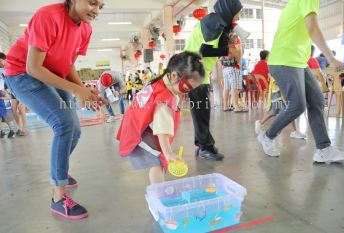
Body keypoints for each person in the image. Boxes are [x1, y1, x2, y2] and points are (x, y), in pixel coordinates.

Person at [3, 0, 106, 219]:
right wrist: (77, 91)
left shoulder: (85, 29)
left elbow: (67, 62)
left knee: (75, 130)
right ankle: (58, 199)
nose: (96, 11)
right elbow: (33, 67)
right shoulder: (48, 16)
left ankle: (59, 170)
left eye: (101, 7)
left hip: (52, 75)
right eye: (92, 3)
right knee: (64, 123)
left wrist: (84, 90)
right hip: (22, 74)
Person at [257, 0, 344, 163]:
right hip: (284, 60)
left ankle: (323, 149)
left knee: (317, 100)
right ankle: (267, 136)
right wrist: (331, 58)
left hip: (298, 61)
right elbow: (313, 29)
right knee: (297, 105)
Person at [117, 52, 205, 184]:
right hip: (139, 131)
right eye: (186, 88)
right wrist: (168, 152)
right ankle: (159, 193)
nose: (187, 93)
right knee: (160, 160)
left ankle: (158, 191)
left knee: (158, 161)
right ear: (174, 75)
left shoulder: (160, 83)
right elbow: (162, 128)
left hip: (135, 123)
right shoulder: (165, 99)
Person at [184, 0, 242, 160]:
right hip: (194, 71)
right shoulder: (213, 22)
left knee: (201, 110)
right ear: (229, 10)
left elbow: (214, 47)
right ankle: (205, 147)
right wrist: (230, 49)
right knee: (202, 110)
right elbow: (205, 50)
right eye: (238, 11)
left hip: (198, 71)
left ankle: (201, 145)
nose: (239, 15)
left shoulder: (218, 23)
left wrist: (228, 42)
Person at [220, 33, 244, 112]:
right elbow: (239, 54)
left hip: (225, 68)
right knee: (234, 87)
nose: (236, 37)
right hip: (234, 67)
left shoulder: (224, 44)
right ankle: (236, 107)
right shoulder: (235, 43)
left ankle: (225, 106)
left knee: (226, 88)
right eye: (235, 36)